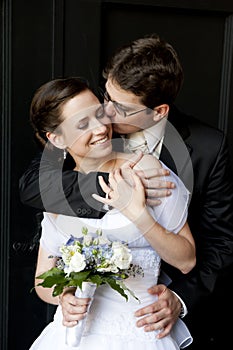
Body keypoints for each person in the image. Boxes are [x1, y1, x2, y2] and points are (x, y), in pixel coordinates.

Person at [19, 34, 233, 347]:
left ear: (158, 111)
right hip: (79, 327)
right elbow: (32, 185)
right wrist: (118, 189)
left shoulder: (206, 149)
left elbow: (220, 243)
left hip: (148, 319)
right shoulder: (80, 126)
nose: (104, 115)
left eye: (118, 107)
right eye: (104, 97)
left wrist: (181, 298)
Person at [28, 77, 195, 349]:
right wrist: (65, 296)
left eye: (99, 114)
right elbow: (42, 280)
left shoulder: (147, 170)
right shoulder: (56, 191)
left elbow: (186, 259)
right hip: (73, 336)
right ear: (57, 139)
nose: (101, 129)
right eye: (83, 125)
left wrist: (139, 214)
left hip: (140, 331)